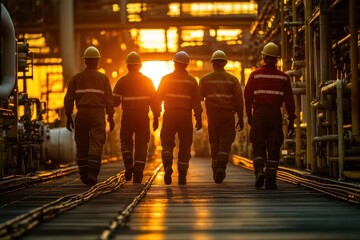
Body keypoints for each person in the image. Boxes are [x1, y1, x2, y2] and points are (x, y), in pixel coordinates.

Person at [244, 42, 296, 190]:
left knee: (258, 143)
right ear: (277, 59)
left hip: (259, 113)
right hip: (274, 115)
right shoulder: (284, 78)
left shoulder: (255, 75)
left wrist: (249, 115)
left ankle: (259, 171)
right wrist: (291, 118)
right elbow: (290, 102)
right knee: (273, 146)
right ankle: (271, 180)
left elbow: (247, 97)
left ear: (263, 57)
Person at [64, 46, 115, 186]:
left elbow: (68, 99)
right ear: (98, 61)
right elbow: (109, 101)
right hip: (98, 113)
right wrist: (110, 117)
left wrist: (68, 116)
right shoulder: (104, 79)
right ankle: (92, 174)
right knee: (96, 142)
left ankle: (83, 173)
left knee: (82, 143)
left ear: (85, 61)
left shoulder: (76, 78)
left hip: (82, 113)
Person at [155, 51, 202, 185]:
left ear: (174, 63)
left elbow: (157, 99)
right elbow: (196, 103)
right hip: (185, 116)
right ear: (187, 65)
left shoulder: (165, 79)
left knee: (167, 143)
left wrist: (156, 115)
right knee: (185, 145)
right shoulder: (192, 81)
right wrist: (198, 118)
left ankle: (168, 165)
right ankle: (182, 176)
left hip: (169, 114)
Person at [113, 51, 160, 183]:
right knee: (141, 144)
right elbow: (155, 102)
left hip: (127, 115)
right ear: (140, 66)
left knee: (126, 140)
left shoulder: (122, 81)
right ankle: (138, 173)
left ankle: (129, 164)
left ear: (127, 66)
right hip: (142, 116)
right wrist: (156, 117)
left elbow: (115, 102)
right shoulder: (148, 82)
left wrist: (110, 115)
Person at [199, 50, 244, 184]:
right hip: (227, 115)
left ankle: (215, 168)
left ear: (212, 64)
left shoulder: (204, 79)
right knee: (226, 140)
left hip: (212, 116)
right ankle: (221, 167)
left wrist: (198, 116)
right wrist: (241, 118)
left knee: (214, 141)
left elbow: (198, 98)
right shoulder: (233, 79)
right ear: (225, 64)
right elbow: (239, 101)